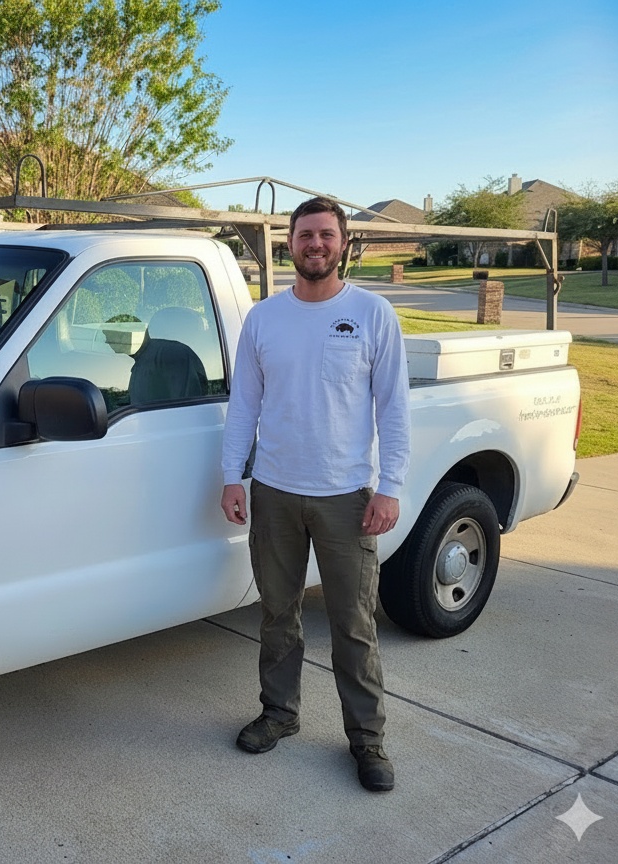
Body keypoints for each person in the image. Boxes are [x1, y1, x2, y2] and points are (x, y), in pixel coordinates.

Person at [219, 196, 410, 792]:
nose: (315, 244)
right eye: (305, 235)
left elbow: (394, 410)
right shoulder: (264, 319)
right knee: (278, 615)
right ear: (290, 244)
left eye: (326, 234)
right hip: (274, 491)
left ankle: (368, 741)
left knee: (353, 624)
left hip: (346, 497)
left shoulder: (373, 314)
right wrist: (233, 475)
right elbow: (244, 404)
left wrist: (391, 488)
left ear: (343, 242)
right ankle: (279, 714)